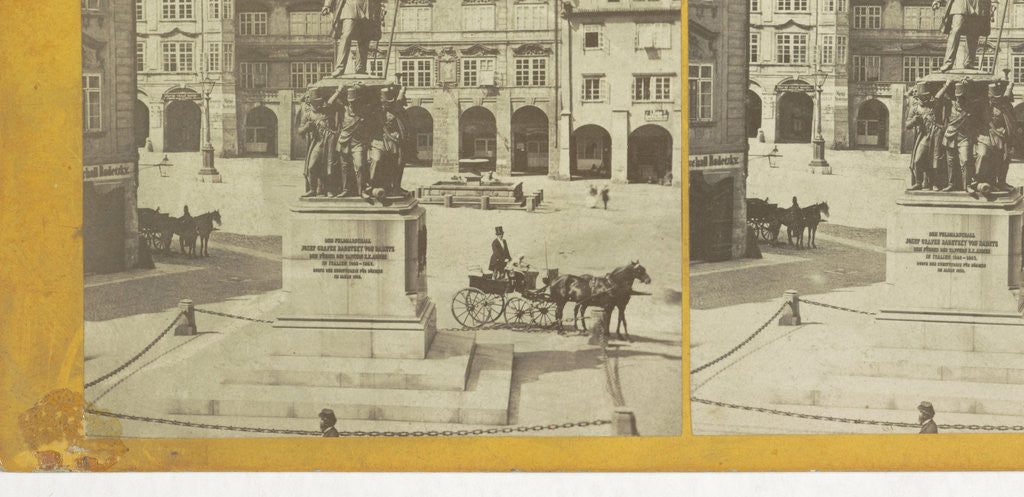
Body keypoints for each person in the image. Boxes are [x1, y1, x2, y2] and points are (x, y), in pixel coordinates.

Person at [976, 75, 1021, 193]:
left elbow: (1008, 92)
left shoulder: (1003, 104)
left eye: (996, 98)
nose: (994, 100)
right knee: (986, 156)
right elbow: (985, 121)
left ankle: (1001, 182)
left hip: (1003, 136)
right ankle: (982, 180)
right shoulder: (984, 106)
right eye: (992, 98)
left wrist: (1008, 83)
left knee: (1005, 158)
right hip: (987, 136)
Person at [321, 0, 382, 77]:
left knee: (364, 38)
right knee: (346, 36)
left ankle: (361, 68)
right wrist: (327, 5)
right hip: (350, 6)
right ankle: (340, 68)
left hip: (367, 6)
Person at [933, 0, 992, 72]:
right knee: (955, 31)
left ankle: (969, 62)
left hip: (977, 4)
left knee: (973, 33)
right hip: (960, 3)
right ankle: (948, 62)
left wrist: (993, 3)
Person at [942, 79, 979, 192]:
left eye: (962, 96)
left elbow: (979, 97)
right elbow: (938, 98)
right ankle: (951, 184)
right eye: (957, 96)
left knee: (965, 160)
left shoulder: (970, 106)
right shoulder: (950, 104)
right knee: (951, 162)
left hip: (964, 138)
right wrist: (947, 85)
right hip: (950, 137)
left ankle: (967, 186)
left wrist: (969, 84)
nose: (959, 98)